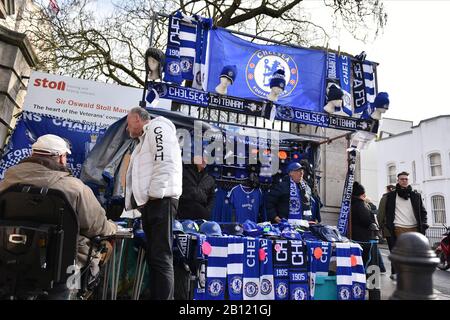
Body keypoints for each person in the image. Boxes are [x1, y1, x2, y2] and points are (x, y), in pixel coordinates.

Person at [0, 134, 117, 298]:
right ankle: (77, 292)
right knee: (104, 245)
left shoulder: (5, 183)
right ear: (61, 158)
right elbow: (98, 227)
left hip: (10, 257)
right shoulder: (74, 188)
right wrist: (113, 226)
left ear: (32, 155)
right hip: (62, 266)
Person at [124, 107, 182, 300]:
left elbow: (165, 162)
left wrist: (155, 194)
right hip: (153, 203)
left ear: (138, 119)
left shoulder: (157, 127)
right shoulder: (144, 139)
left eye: (128, 122)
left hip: (161, 201)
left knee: (161, 256)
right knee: (156, 257)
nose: (126, 127)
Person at [384, 171, 429, 279]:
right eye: (402, 179)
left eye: (406, 179)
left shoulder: (415, 195)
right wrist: (385, 226)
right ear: (398, 181)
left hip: (414, 227)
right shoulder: (390, 196)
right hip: (399, 226)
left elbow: (423, 212)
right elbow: (385, 212)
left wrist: (424, 223)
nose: (404, 181)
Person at [177, 155, 215, 220]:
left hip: (201, 212)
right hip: (183, 209)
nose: (204, 161)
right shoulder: (183, 171)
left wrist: (207, 211)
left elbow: (212, 197)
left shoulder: (210, 179)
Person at [350, 181, 377, 268]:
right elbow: (366, 220)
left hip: (354, 235)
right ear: (361, 194)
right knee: (364, 259)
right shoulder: (360, 205)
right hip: (363, 237)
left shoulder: (351, 204)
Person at [378, 184, 396, 277]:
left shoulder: (385, 197)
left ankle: (394, 272)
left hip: (388, 228)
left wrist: (381, 226)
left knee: (393, 250)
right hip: (400, 227)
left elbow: (380, 213)